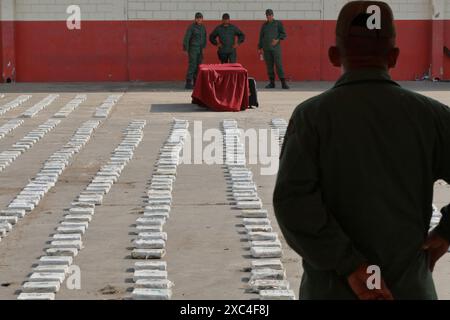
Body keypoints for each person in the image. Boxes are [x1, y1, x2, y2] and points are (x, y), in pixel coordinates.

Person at [273, 1, 450, 300]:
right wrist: (446, 231)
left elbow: (293, 204)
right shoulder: (432, 116)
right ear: (393, 57)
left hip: (332, 290)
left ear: (333, 55)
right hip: (408, 288)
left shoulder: (312, 117)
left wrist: (351, 265)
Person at [258, 9, 289, 89]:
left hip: (276, 49)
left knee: (279, 65)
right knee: (269, 66)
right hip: (266, 48)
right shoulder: (264, 25)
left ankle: (283, 83)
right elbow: (261, 37)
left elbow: (283, 34)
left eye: (270, 15)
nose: (269, 16)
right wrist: (260, 47)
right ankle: (272, 83)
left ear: (273, 15)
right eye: (267, 15)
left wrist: (277, 40)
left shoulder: (278, 23)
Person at [183, 12, 207, 90]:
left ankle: (196, 82)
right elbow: (187, 37)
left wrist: (203, 47)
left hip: (200, 49)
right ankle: (188, 82)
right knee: (192, 65)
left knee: (199, 65)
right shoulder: (191, 27)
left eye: (200, 18)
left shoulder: (203, 27)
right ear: (195, 19)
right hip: (193, 48)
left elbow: (204, 37)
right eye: (198, 18)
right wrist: (186, 48)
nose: (199, 19)